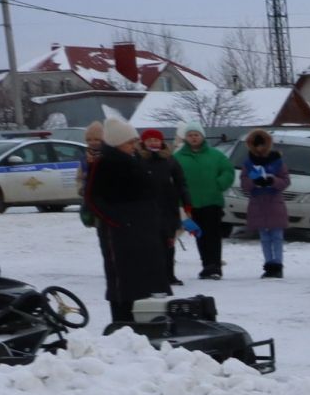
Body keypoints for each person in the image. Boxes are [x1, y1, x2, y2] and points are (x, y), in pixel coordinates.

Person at [82, 117, 163, 322]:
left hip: (140, 228)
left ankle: (141, 316)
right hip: (118, 232)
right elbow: (92, 198)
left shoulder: (134, 161)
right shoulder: (104, 164)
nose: (134, 146)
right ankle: (122, 320)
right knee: (121, 278)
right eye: (129, 142)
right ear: (118, 142)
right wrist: (117, 221)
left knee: (141, 277)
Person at [174, 125, 235, 280]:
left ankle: (215, 266)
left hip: (212, 201)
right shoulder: (178, 157)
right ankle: (206, 265)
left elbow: (228, 171)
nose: (194, 138)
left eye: (196, 135)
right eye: (190, 135)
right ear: (186, 138)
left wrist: (219, 184)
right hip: (191, 203)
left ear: (202, 136)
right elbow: (172, 177)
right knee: (199, 235)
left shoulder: (216, 155)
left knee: (213, 235)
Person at [138, 128, 195, 291]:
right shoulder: (138, 159)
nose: (153, 143)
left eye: (156, 140)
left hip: (168, 208)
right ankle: (151, 275)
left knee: (169, 243)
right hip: (146, 209)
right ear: (144, 142)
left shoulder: (170, 160)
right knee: (150, 244)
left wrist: (187, 203)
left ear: (162, 142)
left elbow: (181, 183)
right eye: (150, 140)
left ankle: (170, 274)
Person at [240, 128, 292, 279]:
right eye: (256, 145)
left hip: (274, 202)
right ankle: (268, 264)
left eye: (262, 145)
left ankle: (278, 265)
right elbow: (244, 182)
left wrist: (272, 180)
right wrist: (253, 182)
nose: (259, 148)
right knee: (264, 237)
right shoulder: (248, 163)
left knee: (277, 235)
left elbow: (286, 180)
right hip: (258, 203)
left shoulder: (276, 161)